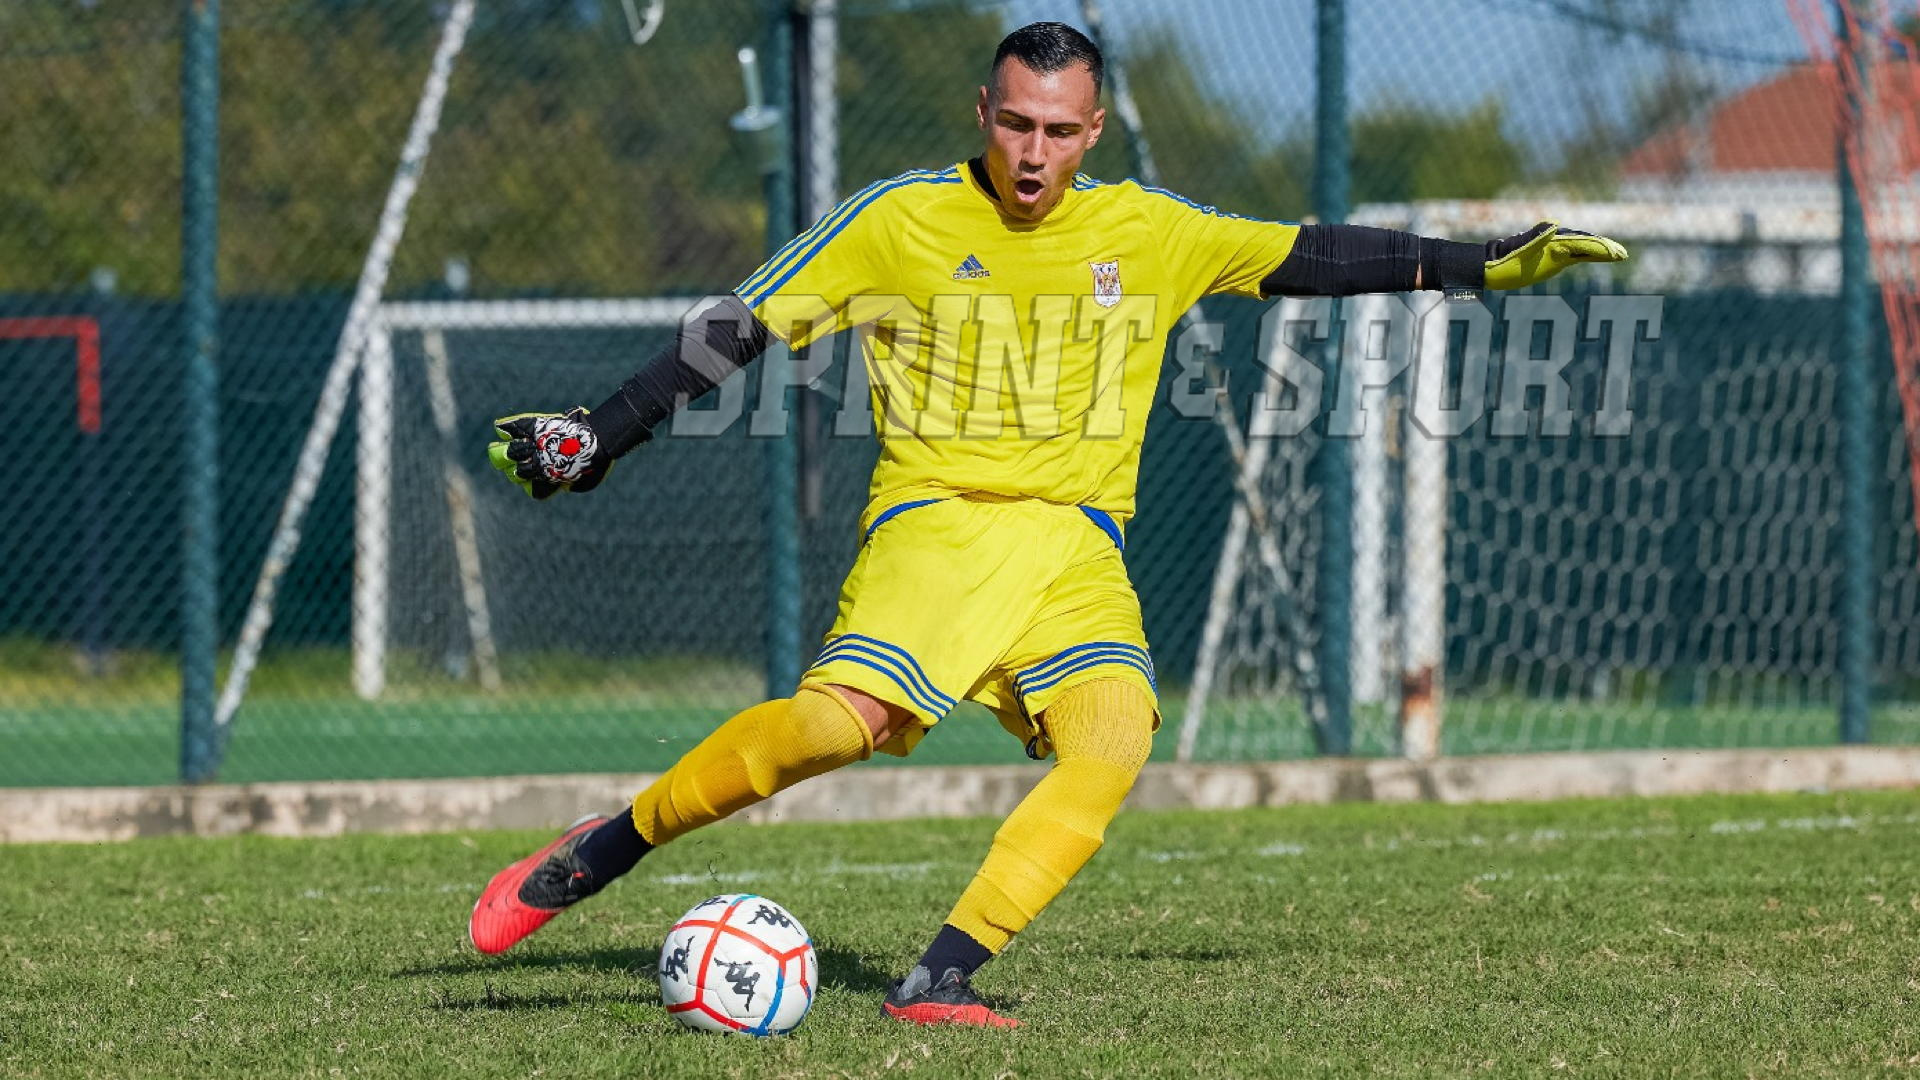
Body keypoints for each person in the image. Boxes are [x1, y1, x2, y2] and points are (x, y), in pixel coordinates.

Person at [469, 21, 1626, 1028]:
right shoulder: (898, 220)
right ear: (983, 110)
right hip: (939, 526)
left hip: (1077, 549)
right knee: (829, 735)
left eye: (1059, 132)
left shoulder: (1150, 231)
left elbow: (1307, 253)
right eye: (1015, 123)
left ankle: (939, 977)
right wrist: (602, 432)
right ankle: (607, 844)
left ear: (1096, 128)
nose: (1032, 154)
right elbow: (742, 323)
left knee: (1117, 738)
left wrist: (1480, 264)